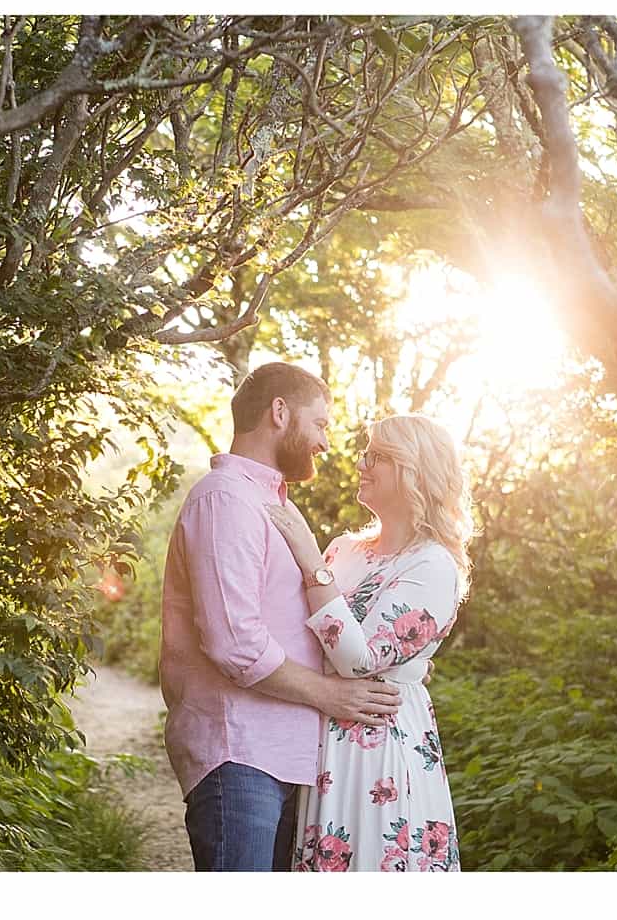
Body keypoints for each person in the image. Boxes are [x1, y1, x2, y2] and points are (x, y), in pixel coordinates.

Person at [159, 361, 403, 870]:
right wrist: (332, 694)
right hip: (239, 753)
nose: (325, 443)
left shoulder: (265, 502)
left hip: (280, 756)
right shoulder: (226, 499)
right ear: (279, 413)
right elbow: (235, 643)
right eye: (320, 424)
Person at [270, 415, 470, 872]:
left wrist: (307, 557)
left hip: (379, 749)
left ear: (414, 471)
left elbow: (359, 660)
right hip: (322, 740)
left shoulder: (434, 565)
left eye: (376, 456)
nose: (362, 463)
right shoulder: (344, 549)